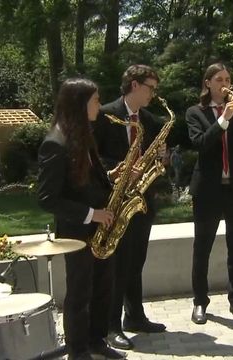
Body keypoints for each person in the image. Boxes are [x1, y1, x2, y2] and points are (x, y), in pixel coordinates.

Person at [37, 78, 125, 360]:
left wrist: (113, 177)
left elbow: (86, 179)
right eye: (95, 100)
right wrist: (91, 214)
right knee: (79, 293)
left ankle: (97, 340)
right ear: (79, 103)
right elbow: (47, 198)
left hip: (101, 227)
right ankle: (78, 350)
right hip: (76, 232)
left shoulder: (82, 134)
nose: (100, 104)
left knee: (103, 286)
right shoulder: (55, 142)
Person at [92, 64, 166, 351]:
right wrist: (121, 171)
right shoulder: (104, 115)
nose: (153, 93)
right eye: (150, 87)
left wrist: (161, 158)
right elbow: (93, 158)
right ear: (134, 85)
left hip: (141, 203)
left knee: (136, 262)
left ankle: (135, 316)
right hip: (113, 201)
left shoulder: (151, 120)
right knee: (116, 265)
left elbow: (159, 162)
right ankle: (111, 326)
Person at [186, 62, 233, 324]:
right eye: (219, 79)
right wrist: (224, 119)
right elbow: (201, 144)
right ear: (208, 83)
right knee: (202, 248)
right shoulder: (196, 112)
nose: (225, 84)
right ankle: (200, 302)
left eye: (228, 78)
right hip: (208, 191)